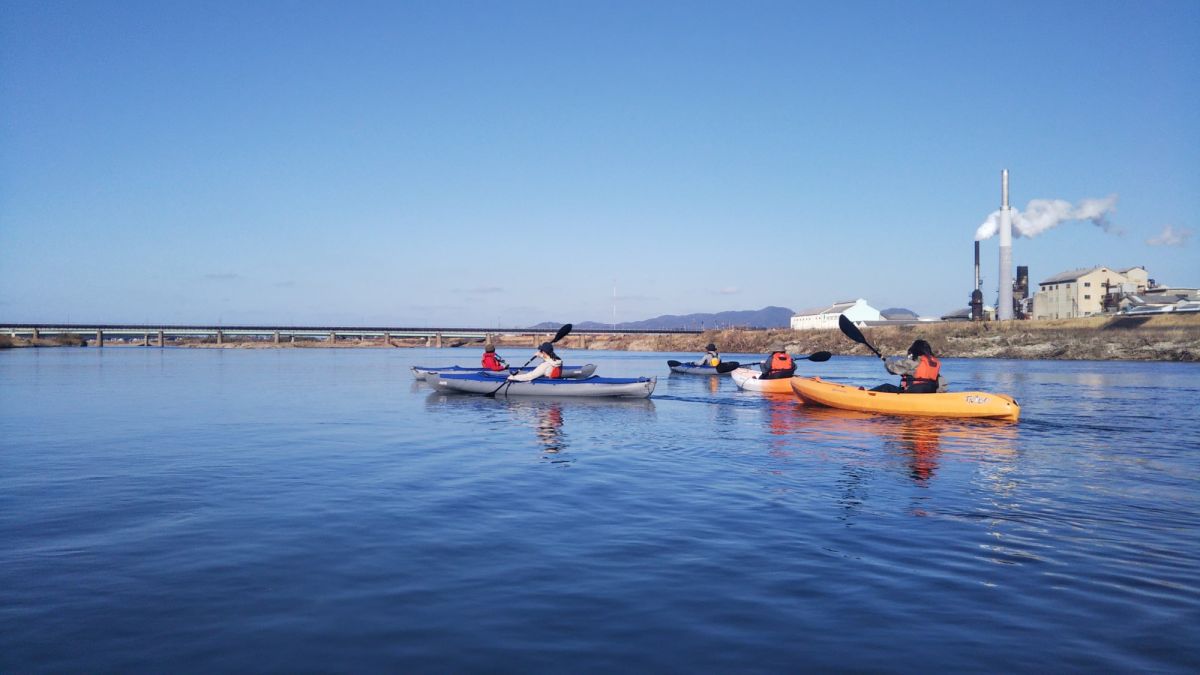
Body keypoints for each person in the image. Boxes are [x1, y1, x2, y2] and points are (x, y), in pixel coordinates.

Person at [870, 339, 947, 393]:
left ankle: (866, 395)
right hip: (929, 393)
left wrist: (887, 360)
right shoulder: (933, 364)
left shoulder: (911, 362)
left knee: (886, 387)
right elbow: (941, 384)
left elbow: (891, 369)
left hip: (912, 393)